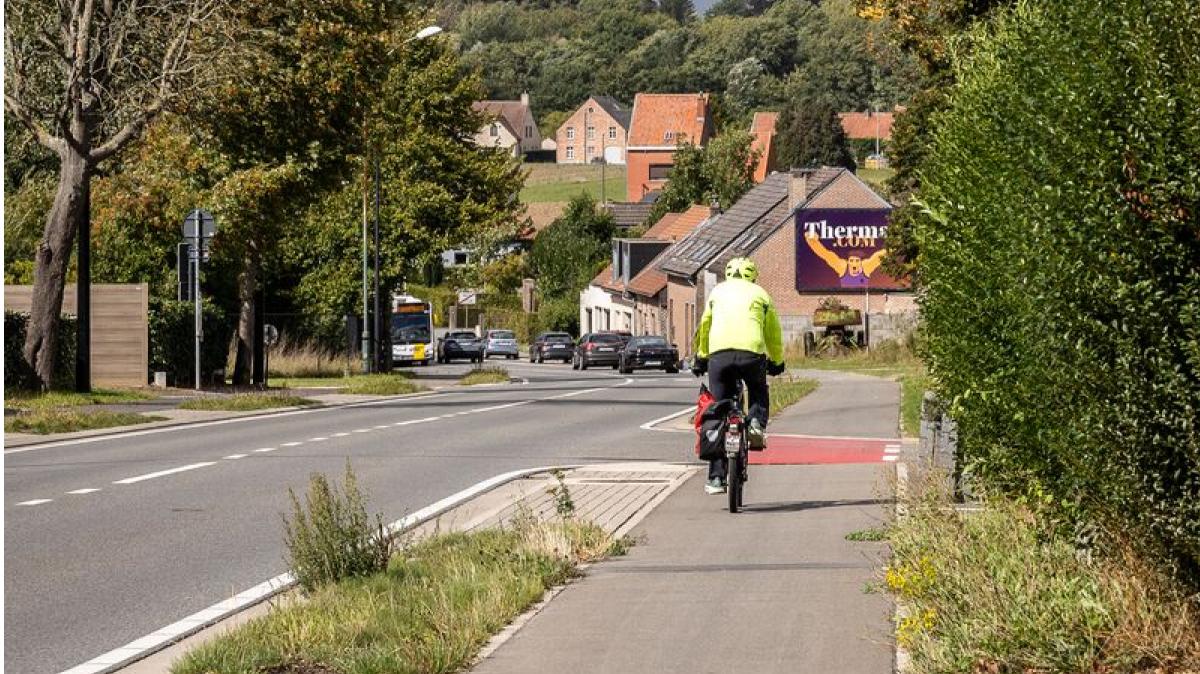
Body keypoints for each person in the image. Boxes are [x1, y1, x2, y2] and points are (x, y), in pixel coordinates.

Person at [691, 257, 786, 494]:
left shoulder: (717, 293)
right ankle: (755, 422)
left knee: (717, 410)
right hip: (751, 353)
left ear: (727, 274)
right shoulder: (761, 294)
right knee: (757, 389)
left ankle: (715, 479)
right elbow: (772, 332)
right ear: (753, 275)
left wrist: (702, 356)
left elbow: (705, 326)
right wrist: (776, 360)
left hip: (719, 356)